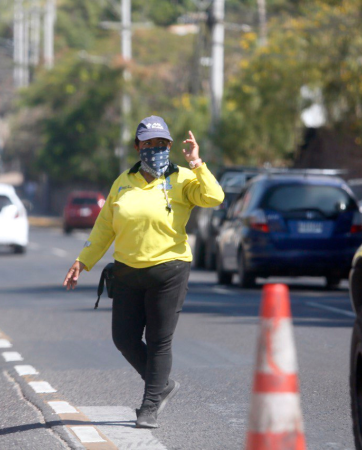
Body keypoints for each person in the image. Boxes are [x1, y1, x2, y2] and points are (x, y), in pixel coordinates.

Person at [63, 115, 224, 428]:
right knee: (124, 338)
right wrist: (82, 261)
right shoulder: (123, 181)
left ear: (169, 146)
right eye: (149, 144)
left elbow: (214, 197)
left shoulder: (182, 180)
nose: (155, 149)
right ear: (138, 146)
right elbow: (104, 227)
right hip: (127, 272)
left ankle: (150, 405)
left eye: (161, 144)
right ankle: (162, 385)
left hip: (170, 269)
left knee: (159, 339)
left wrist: (197, 163)